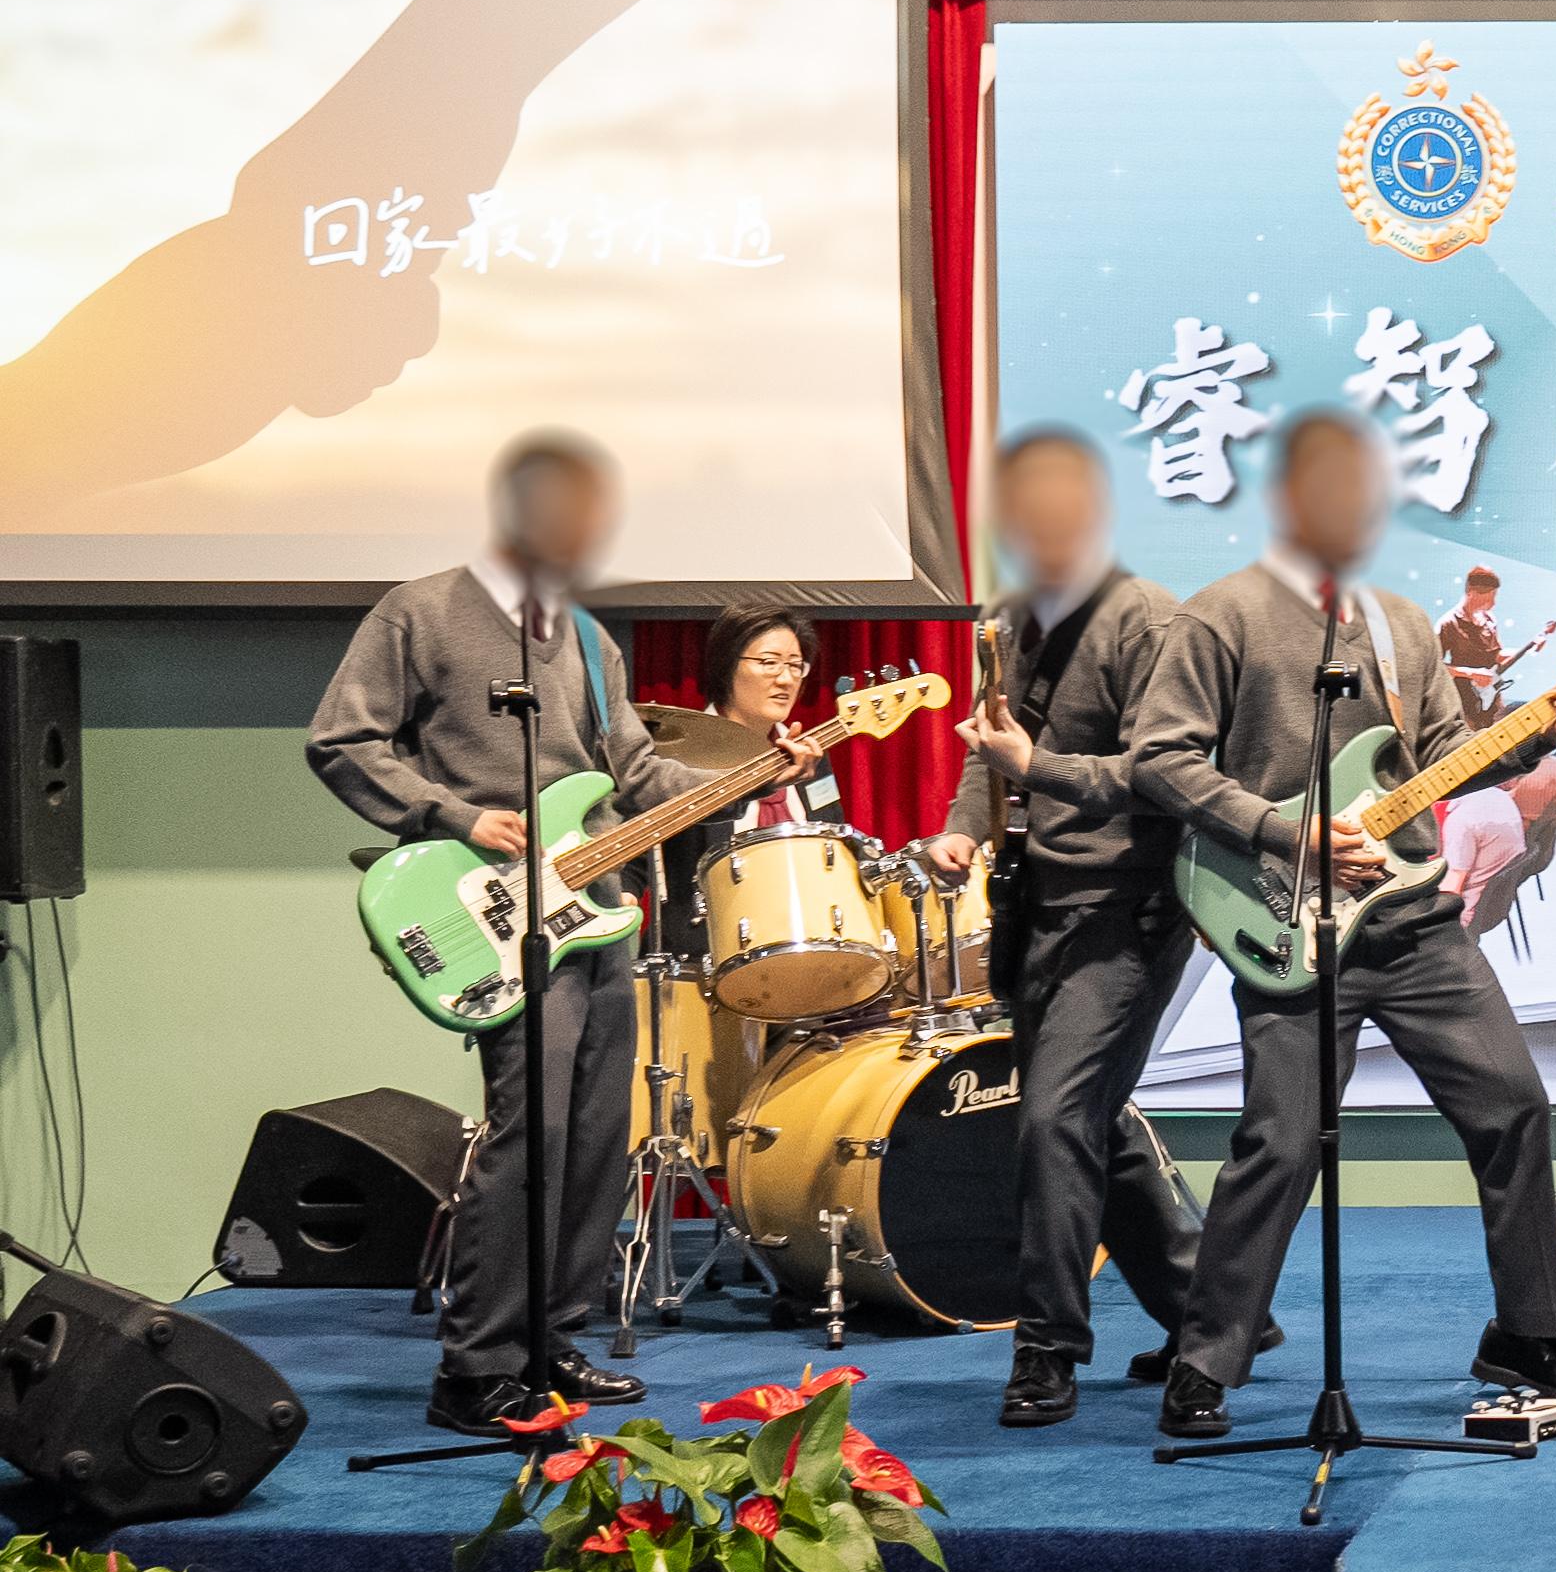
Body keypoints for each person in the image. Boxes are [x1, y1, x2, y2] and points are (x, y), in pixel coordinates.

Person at [1130, 409, 1556, 1440]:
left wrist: (1538, 730)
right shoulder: (1217, 617)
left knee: (1513, 1104)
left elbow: (1444, 753)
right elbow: (1161, 761)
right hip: (1284, 919)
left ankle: (1529, 1333)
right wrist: (1288, 833)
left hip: (1409, 918)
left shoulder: (1401, 626)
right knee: (1279, 1140)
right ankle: (1206, 1354)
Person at [307, 432, 811, 1436]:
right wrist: (453, 817)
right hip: (490, 905)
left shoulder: (586, 635)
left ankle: (551, 1338)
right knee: (527, 1134)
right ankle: (474, 1367)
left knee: (595, 1138)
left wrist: (749, 773)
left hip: (594, 908)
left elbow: (630, 773)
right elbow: (341, 739)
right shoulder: (421, 610)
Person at [915, 430, 1213, 1429]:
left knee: (1051, 1123)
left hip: (1128, 911)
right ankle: (1211, 1316)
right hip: (1036, 905)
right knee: (1090, 1124)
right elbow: (985, 753)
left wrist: (1034, 768)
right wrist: (963, 832)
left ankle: (1047, 1349)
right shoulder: (1008, 617)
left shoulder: (1149, 621)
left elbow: (1171, 774)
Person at [650, 604, 842, 958]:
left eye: (795, 665)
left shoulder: (811, 756)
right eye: (769, 662)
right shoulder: (676, 757)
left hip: (804, 949)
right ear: (727, 666)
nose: (785, 679)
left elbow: (835, 853)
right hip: (704, 958)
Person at [1438, 565, 1511, 719]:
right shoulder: (1449, 623)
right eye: (1488, 598)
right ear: (1472, 592)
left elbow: (1496, 655)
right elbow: (1434, 666)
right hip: (1464, 701)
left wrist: (1531, 646)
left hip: (1492, 696)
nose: (1493, 604)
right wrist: (1471, 674)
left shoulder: (1489, 620)